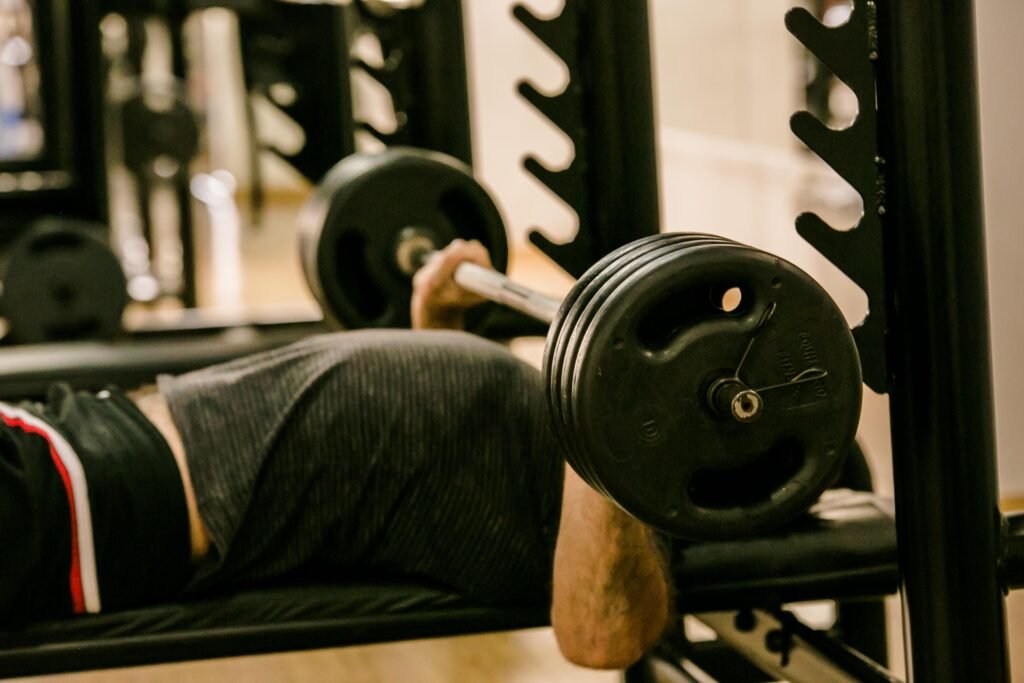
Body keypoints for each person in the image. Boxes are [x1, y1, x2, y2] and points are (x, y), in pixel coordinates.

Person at [0, 240, 670, 670]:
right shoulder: (602, 468)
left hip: (90, 477)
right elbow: (599, 631)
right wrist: (590, 408)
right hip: (85, 469)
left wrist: (596, 415)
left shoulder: (611, 492)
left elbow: (601, 635)